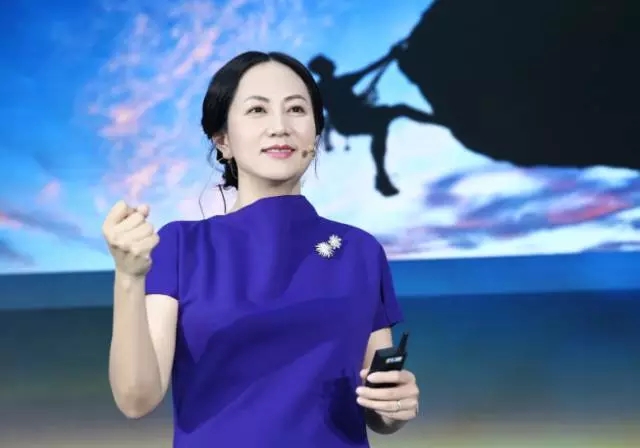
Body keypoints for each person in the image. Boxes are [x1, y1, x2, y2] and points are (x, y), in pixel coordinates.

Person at [102, 51, 420, 447]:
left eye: (296, 109)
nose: (280, 127)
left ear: (315, 135)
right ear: (223, 140)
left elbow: (377, 405)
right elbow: (136, 399)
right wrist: (128, 278)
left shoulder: (360, 251)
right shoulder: (181, 246)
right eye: (257, 110)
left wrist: (393, 406)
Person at [308, 43, 440, 197]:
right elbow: (369, 69)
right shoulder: (332, 86)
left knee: (384, 124)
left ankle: (382, 176)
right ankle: (438, 120)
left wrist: (390, 56)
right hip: (350, 120)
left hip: (348, 122)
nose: (332, 62)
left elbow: (369, 70)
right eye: (327, 62)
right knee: (395, 114)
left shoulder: (327, 87)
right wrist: (390, 56)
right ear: (323, 68)